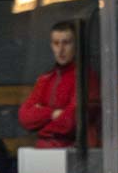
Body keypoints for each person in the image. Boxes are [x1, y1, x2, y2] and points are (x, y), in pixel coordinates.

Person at [18, 20, 100, 149]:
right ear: (51, 45)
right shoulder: (45, 79)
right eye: (56, 43)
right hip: (44, 153)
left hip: (72, 153)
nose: (61, 50)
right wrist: (53, 114)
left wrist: (41, 127)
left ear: (76, 45)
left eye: (66, 43)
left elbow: (71, 121)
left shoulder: (85, 77)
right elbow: (24, 117)